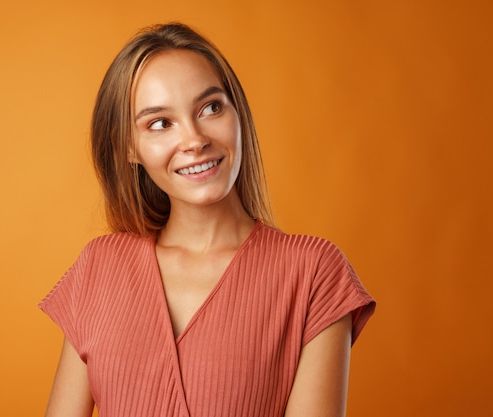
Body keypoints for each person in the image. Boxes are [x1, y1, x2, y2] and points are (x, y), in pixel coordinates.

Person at [39, 22, 375, 417]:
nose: (195, 139)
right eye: (160, 123)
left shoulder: (314, 272)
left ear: (238, 115)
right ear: (129, 147)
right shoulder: (99, 267)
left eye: (210, 107)